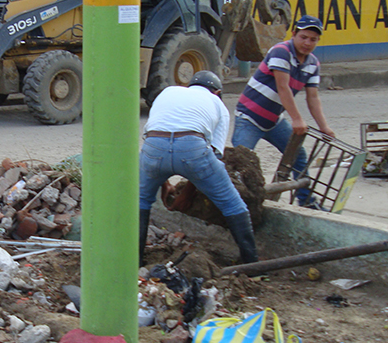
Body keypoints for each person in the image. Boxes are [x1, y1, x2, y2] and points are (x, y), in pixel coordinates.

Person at [138, 70, 257, 267]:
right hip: (191, 147)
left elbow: (156, 133)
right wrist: (187, 193)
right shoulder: (218, 104)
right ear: (217, 92)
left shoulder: (168, 92)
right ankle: (254, 267)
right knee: (233, 204)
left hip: (154, 148)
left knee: (141, 203)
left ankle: (135, 264)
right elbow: (213, 156)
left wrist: (163, 182)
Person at [232, 15, 335, 209]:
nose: (307, 43)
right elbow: (283, 87)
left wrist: (324, 127)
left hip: (273, 120)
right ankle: (237, 206)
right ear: (294, 34)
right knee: (242, 161)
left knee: (299, 156)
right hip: (249, 117)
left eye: (313, 39)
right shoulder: (281, 51)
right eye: (303, 37)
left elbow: (312, 97)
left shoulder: (313, 63)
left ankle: (306, 202)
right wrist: (297, 119)